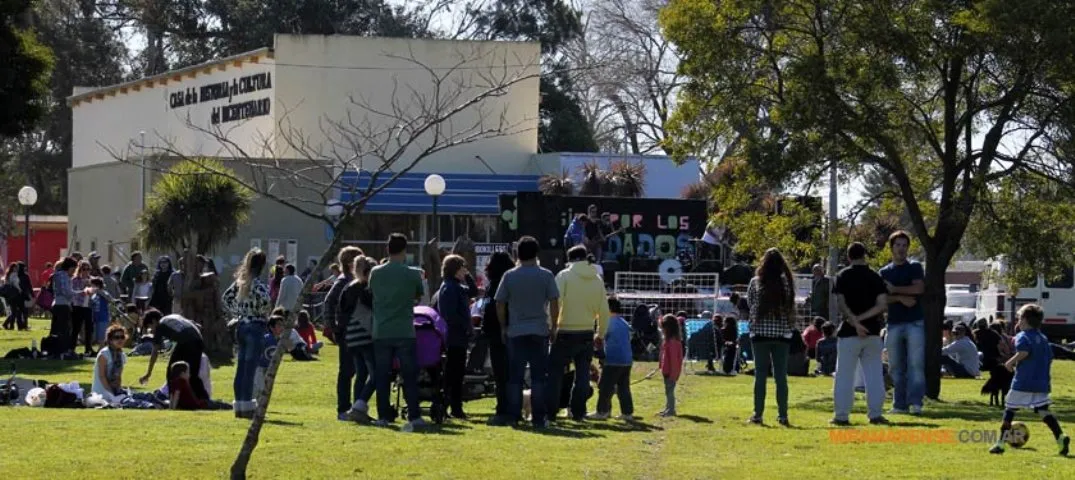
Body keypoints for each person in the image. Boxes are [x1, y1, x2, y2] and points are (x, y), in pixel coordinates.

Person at [493, 236, 560, 428]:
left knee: (515, 377)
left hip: (516, 331)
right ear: (537, 253)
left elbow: (500, 303)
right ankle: (538, 417)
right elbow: (555, 302)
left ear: (517, 254)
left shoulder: (509, 276)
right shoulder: (546, 275)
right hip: (539, 330)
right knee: (539, 377)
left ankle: (514, 416)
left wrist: (503, 326)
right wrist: (554, 325)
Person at [989, 304, 1070, 455]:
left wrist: (1010, 362)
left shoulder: (1023, 336)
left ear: (1025, 320)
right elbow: (1049, 357)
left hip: (1023, 381)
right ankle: (1060, 436)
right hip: (1041, 383)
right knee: (1043, 410)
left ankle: (1000, 444)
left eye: (1019, 318)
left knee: (1009, 410)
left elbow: (1024, 351)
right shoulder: (1043, 338)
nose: (1018, 322)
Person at [369, 234, 427, 432]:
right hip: (404, 329)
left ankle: (383, 415)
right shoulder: (412, 274)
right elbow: (418, 295)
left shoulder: (375, 273)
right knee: (409, 375)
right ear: (405, 250)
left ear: (387, 249)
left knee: (382, 374)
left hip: (382, 329)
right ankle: (414, 414)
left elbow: (373, 294)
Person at [548, 245, 611, 421]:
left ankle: (551, 411)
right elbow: (604, 310)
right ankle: (578, 412)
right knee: (583, 375)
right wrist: (600, 334)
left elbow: (555, 303)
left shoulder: (564, 276)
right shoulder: (597, 279)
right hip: (586, 332)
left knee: (555, 373)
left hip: (564, 331)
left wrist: (550, 326)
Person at [831, 242, 890, 426]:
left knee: (844, 376)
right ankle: (875, 414)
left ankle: (841, 415)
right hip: (872, 332)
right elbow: (882, 305)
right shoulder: (875, 277)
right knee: (874, 376)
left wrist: (855, 322)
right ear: (865, 255)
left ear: (849, 257)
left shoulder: (842, 276)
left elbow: (840, 304)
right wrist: (864, 321)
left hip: (849, 332)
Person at [746, 248, 797, 426]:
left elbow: (750, 303)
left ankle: (758, 414)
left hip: (760, 332)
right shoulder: (787, 284)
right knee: (780, 376)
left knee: (760, 375)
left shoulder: (756, 282)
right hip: (782, 334)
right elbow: (791, 309)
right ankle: (783, 415)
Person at [879, 230, 926, 415]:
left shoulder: (914, 267)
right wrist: (901, 298)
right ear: (891, 248)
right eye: (897, 245)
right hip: (894, 323)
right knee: (895, 365)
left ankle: (916, 403)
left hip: (915, 322)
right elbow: (881, 299)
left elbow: (919, 288)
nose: (901, 249)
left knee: (915, 364)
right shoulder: (884, 272)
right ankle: (899, 405)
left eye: (904, 245)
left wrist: (895, 290)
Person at [222, 248, 272, 419]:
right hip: (255, 325)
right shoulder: (257, 284)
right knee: (250, 369)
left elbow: (226, 298)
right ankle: (248, 406)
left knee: (241, 367)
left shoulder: (240, 282)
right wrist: (260, 310)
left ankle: (239, 405)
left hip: (241, 325)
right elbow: (266, 301)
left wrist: (237, 311)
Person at [322, 246, 363, 421]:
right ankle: (343, 408)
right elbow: (328, 302)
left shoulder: (352, 280)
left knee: (356, 371)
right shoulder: (343, 281)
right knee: (346, 371)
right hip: (347, 331)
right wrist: (334, 327)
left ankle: (356, 407)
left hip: (354, 331)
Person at [340, 255, 377, 423]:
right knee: (375, 374)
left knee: (361, 374)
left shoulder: (348, 287)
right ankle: (359, 406)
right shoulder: (366, 288)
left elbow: (341, 310)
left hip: (351, 335)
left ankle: (357, 408)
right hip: (364, 334)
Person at [139, 310, 208, 398]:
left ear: (153, 321)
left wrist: (148, 373)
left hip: (186, 343)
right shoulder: (173, 317)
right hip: (198, 341)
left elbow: (154, 352)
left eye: (150, 327)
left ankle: (173, 398)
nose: (152, 331)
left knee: (172, 370)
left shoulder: (160, 325)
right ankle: (203, 399)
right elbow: (197, 325)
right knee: (193, 374)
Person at [437, 254, 474, 419]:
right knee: (454, 375)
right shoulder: (451, 288)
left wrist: (467, 276)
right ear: (455, 270)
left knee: (456, 374)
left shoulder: (454, 286)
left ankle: (452, 406)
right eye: (462, 268)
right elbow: (450, 314)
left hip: (457, 336)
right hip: (454, 337)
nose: (465, 271)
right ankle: (451, 407)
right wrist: (466, 325)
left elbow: (472, 291)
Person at [482, 251, 515, 423]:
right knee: (510, 373)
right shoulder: (511, 282)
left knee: (500, 374)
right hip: (512, 330)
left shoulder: (493, 286)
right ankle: (512, 407)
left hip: (495, 332)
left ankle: (503, 407)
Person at [589, 297, 633, 421]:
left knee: (605, 387)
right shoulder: (624, 322)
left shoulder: (607, 322)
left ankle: (602, 411)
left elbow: (599, 339)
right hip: (626, 360)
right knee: (623, 387)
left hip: (613, 359)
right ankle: (627, 413)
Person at [91, 324, 128, 404]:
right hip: (101, 392)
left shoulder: (122, 355)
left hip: (114, 390)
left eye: (122, 337)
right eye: (116, 337)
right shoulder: (104, 354)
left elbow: (118, 377)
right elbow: (102, 376)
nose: (120, 340)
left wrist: (118, 390)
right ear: (110, 340)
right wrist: (111, 393)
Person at [659, 314, 684, 417]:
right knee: (667, 391)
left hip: (671, 372)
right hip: (666, 371)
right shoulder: (668, 341)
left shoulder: (673, 342)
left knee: (670, 392)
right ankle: (668, 408)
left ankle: (671, 410)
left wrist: (673, 375)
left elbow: (674, 360)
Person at [71, 261, 95, 356]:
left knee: (89, 329)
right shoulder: (75, 280)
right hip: (78, 306)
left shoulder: (92, 280)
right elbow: (74, 292)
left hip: (88, 306)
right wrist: (84, 290)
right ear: (80, 269)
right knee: (76, 328)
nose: (86, 271)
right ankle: (72, 348)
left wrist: (92, 289)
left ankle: (88, 348)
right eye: (84, 269)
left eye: (88, 269)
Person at [90, 278, 113, 349]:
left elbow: (110, 299)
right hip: (96, 317)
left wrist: (99, 291)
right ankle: (100, 349)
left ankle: (101, 350)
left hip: (103, 317)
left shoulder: (103, 292)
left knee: (102, 336)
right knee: (97, 336)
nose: (91, 287)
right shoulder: (93, 295)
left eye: (92, 285)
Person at [2, 263, 26, 330]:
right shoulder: (14, 274)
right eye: (15, 267)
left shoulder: (7, 274)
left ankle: (8, 325)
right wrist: (20, 289)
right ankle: (8, 325)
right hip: (14, 294)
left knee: (14, 311)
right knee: (15, 311)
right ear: (13, 268)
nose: (17, 269)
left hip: (9, 295)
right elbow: (15, 283)